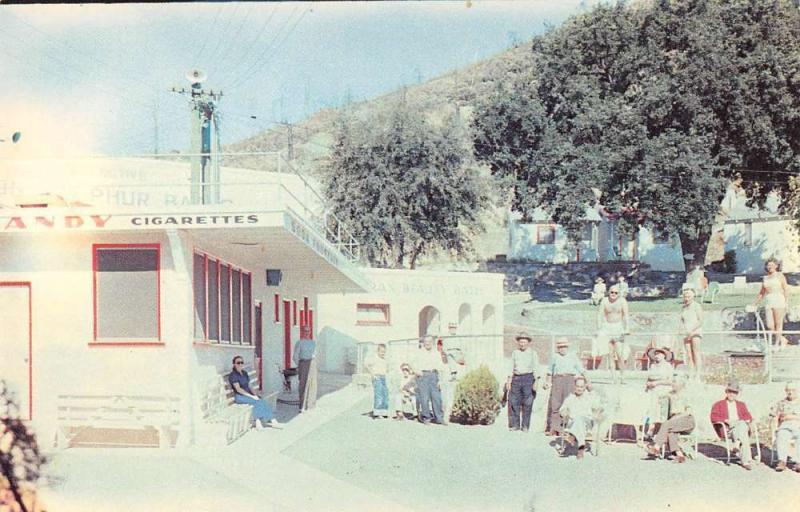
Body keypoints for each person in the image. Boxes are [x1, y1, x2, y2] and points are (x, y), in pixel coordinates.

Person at [544, 337, 587, 435]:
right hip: (557, 380)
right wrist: (547, 382)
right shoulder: (554, 357)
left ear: (568, 347)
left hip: (569, 380)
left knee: (568, 404)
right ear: (558, 348)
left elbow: (581, 369)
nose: (562, 349)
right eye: (560, 347)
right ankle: (554, 428)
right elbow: (549, 371)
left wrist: (588, 381)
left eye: (564, 347)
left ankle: (566, 429)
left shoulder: (573, 356)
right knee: (555, 404)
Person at [710, 381, 755, 470]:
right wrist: (726, 420)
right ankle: (745, 460)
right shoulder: (718, 404)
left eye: (734, 392)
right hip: (727, 429)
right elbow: (713, 417)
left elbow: (748, 415)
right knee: (742, 428)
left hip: (739, 428)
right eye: (730, 392)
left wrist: (743, 420)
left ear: (737, 394)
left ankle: (738, 445)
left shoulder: (741, 404)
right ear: (726, 392)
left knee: (741, 425)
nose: (732, 394)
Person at [647, 379, 694, 463]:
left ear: (681, 385)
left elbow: (688, 412)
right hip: (675, 421)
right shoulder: (671, 394)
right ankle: (680, 455)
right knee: (671, 432)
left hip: (687, 419)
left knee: (667, 424)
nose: (673, 385)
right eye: (673, 383)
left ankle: (656, 448)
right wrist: (657, 383)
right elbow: (659, 394)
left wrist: (675, 418)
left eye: (675, 383)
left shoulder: (686, 394)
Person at [228, 356, 279, 429]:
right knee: (256, 402)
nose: (240, 364)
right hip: (240, 396)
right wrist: (251, 396)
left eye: (241, 362)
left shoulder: (244, 373)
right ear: (234, 364)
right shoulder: (233, 375)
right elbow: (238, 389)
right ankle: (260, 421)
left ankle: (270, 420)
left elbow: (250, 385)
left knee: (261, 400)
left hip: (248, 395)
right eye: (238, 363)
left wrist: (255, 394)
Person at [752, 257, 790, 351]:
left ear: (776, 266)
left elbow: (785, 289)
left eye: (772, 265)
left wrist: (786, 302)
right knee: (769, 325)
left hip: (779, 300)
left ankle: (777, 344)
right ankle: (783, 339)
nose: (770, 267)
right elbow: (761, 293)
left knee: (778, 323)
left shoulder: (780, 276)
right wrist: (754, 303)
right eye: (768, 265)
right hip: (769, 300)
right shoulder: (765, 278)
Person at [559, 377, 600, 460]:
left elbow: (598, 407)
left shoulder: (589, 397)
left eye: (581, 387)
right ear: (574, 386)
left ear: (584, 387)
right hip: (572, 423)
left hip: (587, 424)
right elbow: (562, 409)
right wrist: (563, 411)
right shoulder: (570, 398)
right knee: (578, 419)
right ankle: (580, 449)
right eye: (577, 386)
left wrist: (597, 412)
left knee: (580, 418)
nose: (579, 389)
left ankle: (572, 437)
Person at [596, 284, 630, 384]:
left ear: (619, 294)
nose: (613, 294)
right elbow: (600, 315)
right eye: (612, 292)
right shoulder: (604, 301)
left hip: (618, 327)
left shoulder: (622, 301)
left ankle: (623, 376)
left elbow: (626, 315)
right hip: (607, 327)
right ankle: (613, 377)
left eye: (616, 293)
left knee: (620, 354)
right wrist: (599, 328)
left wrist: (627, 328)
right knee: (609, 354)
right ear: (608, 292)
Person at [506, 333, 539, 432]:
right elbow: (510, 366)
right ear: (518, 342)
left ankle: (525, 426)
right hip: (516, 379)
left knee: (528, 403)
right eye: (520, 342)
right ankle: (515, 425)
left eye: (524, 342)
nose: (522, 344)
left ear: (528, 342)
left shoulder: (533, 353)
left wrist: (536, 381)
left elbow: (536, 367)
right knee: (514, 402)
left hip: (528, 378)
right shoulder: (515, 353)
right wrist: (508, 381)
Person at [412, 335, 446, 425]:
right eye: (426, 342)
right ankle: (426, 417)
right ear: (423, 343)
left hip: (434, 375)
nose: (428, 343)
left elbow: (440, 366)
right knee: (424, 398)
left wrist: (440, 379)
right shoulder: (418, 352)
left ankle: (439, 418)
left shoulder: (436, 353)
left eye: (430, 342)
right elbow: (411, 363)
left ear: (432, 343)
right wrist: (417, 371)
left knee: (437, 398)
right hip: (423, 375)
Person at [644, 347, 675, 438]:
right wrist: (648, 384)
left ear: (664, 355)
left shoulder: (667, 366)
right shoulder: (652, 366)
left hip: (663, 390)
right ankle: (651, 430)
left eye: (659, 354)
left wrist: (657, 383)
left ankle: (661, 433)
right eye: (656, 354)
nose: (657, 356)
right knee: (652, 411)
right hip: (653, 391)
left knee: (662, 413)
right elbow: (649, 378)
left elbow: (670, 381)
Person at [770, 381, 800, 472]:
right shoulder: (781, 403)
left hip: (798, 426)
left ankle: (799, 462)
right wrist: (774, 430)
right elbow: (774, 416)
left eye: (793, 390)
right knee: (781, 435)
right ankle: (782, 461)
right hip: (785, 426)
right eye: (788, 390)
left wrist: (791, 416)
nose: (790, 392)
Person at [679, 286, 704, 377]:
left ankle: (698, 374)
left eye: (689, 296)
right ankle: (691, 373)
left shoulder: (697, 306)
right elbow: (682, 320)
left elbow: (700, 320)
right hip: (686, 332)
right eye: (685, 296)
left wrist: (691, 330)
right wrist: (681, 329)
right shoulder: (684, 307)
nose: (687, 298)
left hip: (695, 331)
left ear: (693, 296)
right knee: (689, 354)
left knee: (696, 353)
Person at [293, 325, 317, 412]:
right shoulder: (299, 342)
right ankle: (302, 406)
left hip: (312, 364)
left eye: (308, 331)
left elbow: (315, 353)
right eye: (305, 331)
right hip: (303, 363)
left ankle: (310, 404)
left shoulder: (313, 343)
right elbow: (295, 356)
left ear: (310, 332)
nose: (307, 333)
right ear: (302, 332)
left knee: (312, 384)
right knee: (303, 384)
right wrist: (299, 365)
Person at [364, 343, 389, 418]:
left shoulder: (384, 359)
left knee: (385, 394)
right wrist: (372, 374)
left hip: (383, 377)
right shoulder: (374, 358)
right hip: (377, 377)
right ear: (377, 351)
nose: (383, 353)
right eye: (381, 351)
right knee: (379, 395)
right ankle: (377, 413)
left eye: (384, 351)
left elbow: (386, 369)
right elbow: (366, 365)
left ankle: (383, 412)